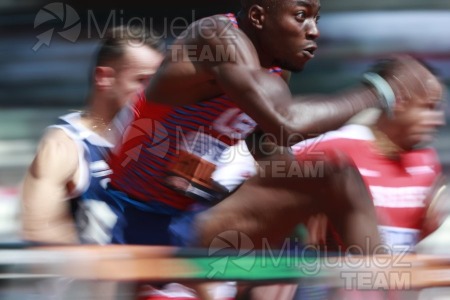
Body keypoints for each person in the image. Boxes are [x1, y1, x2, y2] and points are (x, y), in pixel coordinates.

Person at [106, 0, 441, 252]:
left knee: (334, 177)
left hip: (193, 216)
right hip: (134, 215)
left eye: (316, 18)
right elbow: (286, 125)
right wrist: (380, 90)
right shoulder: (218, 38)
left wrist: (311, 204)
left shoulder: (276, 73)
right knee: (328, 179)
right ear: (258, 18)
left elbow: (269, 150)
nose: (314, 30)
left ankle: (378, 284)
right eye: (301, 16)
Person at [20, 26, 165, 244]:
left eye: (155, 84)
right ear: (104, 77)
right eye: (141, 80)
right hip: (91, 275)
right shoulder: (63, 144)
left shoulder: (155, 141)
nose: (151, 93)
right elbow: (38, 229)